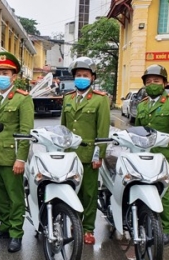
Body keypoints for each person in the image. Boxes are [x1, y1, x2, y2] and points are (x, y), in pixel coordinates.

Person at [135, 64, 169, 245]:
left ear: (164, 83)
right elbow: (137, 128)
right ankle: (144, 219)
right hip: (144, 153)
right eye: (148, 81)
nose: (152, 84)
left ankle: (165, 228)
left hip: (165, 154)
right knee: (140, 185)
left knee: (161, 190)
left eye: (156, 81)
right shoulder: (142, 104)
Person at [60, 57, 110, 245]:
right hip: (70, 154)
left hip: (89, 154)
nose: (81, 78)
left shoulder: (100, 100)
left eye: (85, 75)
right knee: (72, 190)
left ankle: (88, 228)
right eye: (78, 75)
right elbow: (63, 127)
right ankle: (75, 222)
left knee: (89, 193)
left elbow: (102, 130)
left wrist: (99, 154)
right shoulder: (68, 98)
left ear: (92, 78)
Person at [0, 51, 34, 253]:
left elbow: (25, 132)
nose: (1, 76)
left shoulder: (23, 99)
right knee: (0, 195)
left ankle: (16, 232)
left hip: (12, 156)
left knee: (15, 197)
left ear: (14, 76)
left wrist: (21, 158)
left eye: (5, 72)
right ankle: (4, 225)